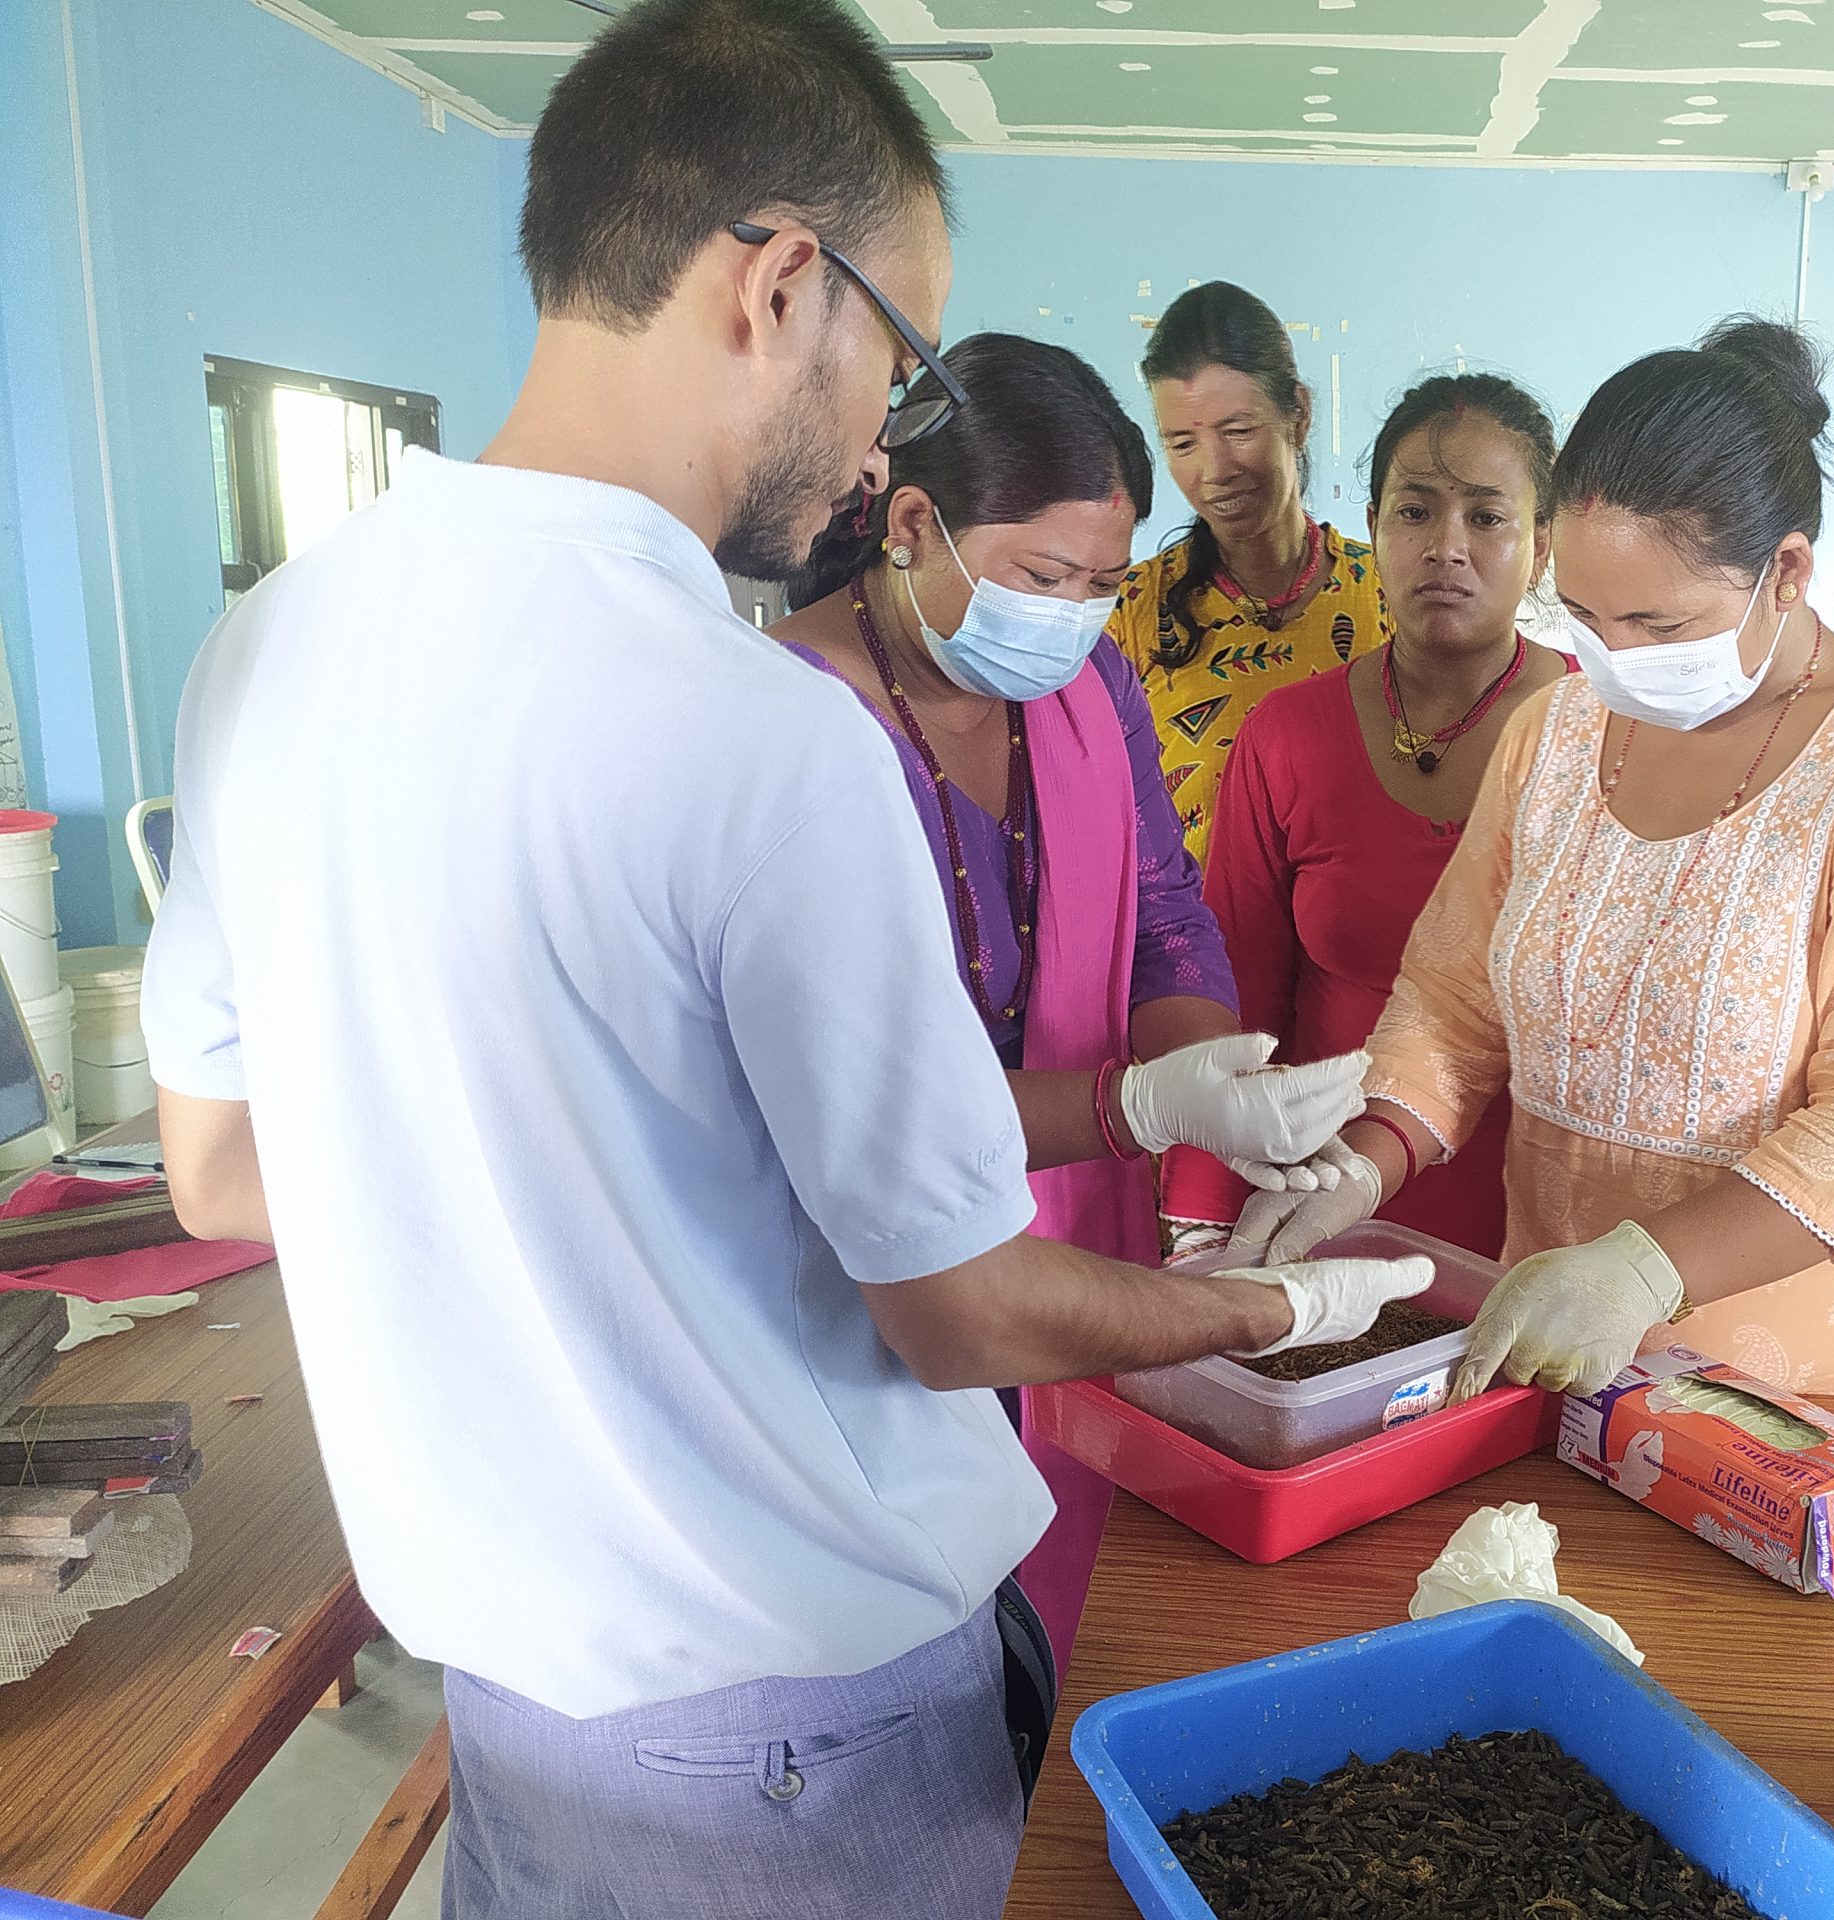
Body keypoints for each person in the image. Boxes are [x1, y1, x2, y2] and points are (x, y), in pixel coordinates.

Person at [139, 6, 1426, 1917]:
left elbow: (223, 1167)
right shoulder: (763, 729)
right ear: (781, 284)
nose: (878, 431)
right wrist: (1278, 1324)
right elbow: (962, 1314)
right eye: (896, 356)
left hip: (518, 1720)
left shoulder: (267, 651)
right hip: (798, 1749)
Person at [1232, 322, 1834, 1404]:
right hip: (1548, 1356)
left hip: (1796, 1391)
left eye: (1658, 620)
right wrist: (1365, 1159)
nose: (1620, 659)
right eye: (1588, 619)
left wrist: (1645, 1268)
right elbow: (1452, 1006)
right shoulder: (1550, 734)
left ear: (1785, 571)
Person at [771, 331, 1368, 1666]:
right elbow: (847, 1102)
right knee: (917, 1635)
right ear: (911, 522)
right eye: (1043, 578)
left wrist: (1221, 1086)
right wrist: (1138, 1102)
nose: (1076, 618)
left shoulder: (1084, 679)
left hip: (1088, 1239)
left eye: (1104, 585)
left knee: (1069, 1608)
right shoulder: (789, 725)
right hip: (881, 1286)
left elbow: (1162, 912)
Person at [1159, 375, 1570, 1263]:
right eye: (1415, 512)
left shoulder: (1602, 732)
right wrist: (1199, 1219)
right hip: (1318, 1207)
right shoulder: (1286, 737)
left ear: (1542, 546)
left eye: (1487, 519)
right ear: (1373, 526)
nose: (1446, 549)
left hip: (1545, 1228)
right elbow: (1241, 996)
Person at [1108, 281, 1393, 863]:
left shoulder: (1389, 595)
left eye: (1238, 430)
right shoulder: (1130, 613)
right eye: (1183, 442)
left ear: (1299, 414)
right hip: (1197, 949)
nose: (1216, 470)